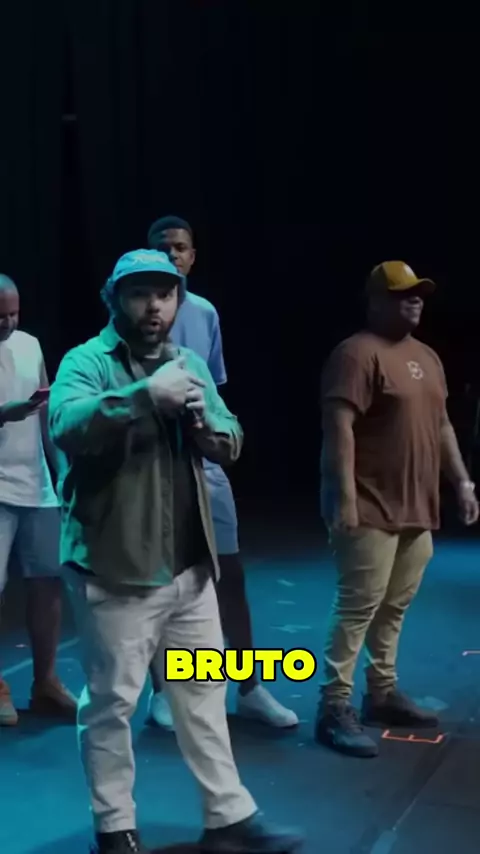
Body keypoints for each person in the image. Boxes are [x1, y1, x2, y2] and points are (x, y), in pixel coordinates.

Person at [48, 249, 303, 854]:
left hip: (190, 569)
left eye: (165, 294)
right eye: (140, 294)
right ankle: (114, 828)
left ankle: (228, 817)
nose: (154, 306)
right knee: (113, 704)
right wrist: (144, 396)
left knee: (204, 691)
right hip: (117, 572)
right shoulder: (86, 361)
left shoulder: (187, 364)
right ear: (114, 298)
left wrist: (204, 427)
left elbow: (231, 437)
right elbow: (66, 426)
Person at [316, 261, 478, 758]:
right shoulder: (355, 353)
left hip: (416, 506)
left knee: (394, 605)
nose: (415, 300)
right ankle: (333, 706)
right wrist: (344, 498)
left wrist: (462, 482)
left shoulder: (426, 356)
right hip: (369, 503)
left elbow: (443, 426)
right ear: (375, 301)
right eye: (403, 293)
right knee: (358, 606)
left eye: (419, 294)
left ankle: (381, 693)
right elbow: (339, 429)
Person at [145, 215, 298, 730]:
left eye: (180, 247)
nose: (172, 255)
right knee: (161, 580)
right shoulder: (133, 316)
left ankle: (249, 687)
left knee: (229, 573)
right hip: (153, 471)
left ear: (192, 256)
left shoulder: (205, 313)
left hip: (203, 463)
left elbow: (214, 389)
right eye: (163, 248)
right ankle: (164, 691)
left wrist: (212, 434)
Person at [0, 274, 77, 726]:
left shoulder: (30, 345)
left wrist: (60, 467)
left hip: (36, 483)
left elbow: (45, 410)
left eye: (13, 313)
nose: (8, 322)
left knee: (48, 581)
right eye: (0, 315)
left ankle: (46, 681)